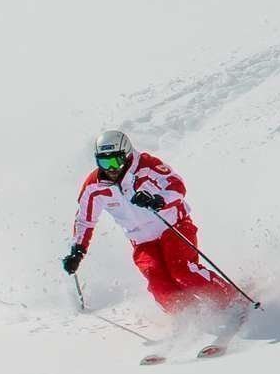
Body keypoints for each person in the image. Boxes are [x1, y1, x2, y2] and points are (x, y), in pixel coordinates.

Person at [62, 130, 237, 314]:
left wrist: (158, 200)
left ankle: (230, 298)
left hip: (172, 226)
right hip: (142, 241)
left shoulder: (146, 166)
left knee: (181, 270)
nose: (111, 169)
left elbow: (177, 185)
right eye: (104, 162)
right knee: (158, 283)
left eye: (116, 161)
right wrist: (78, 251)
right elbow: (84, 220)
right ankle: (191, 316)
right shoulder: (94, 186)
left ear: (127, 155)